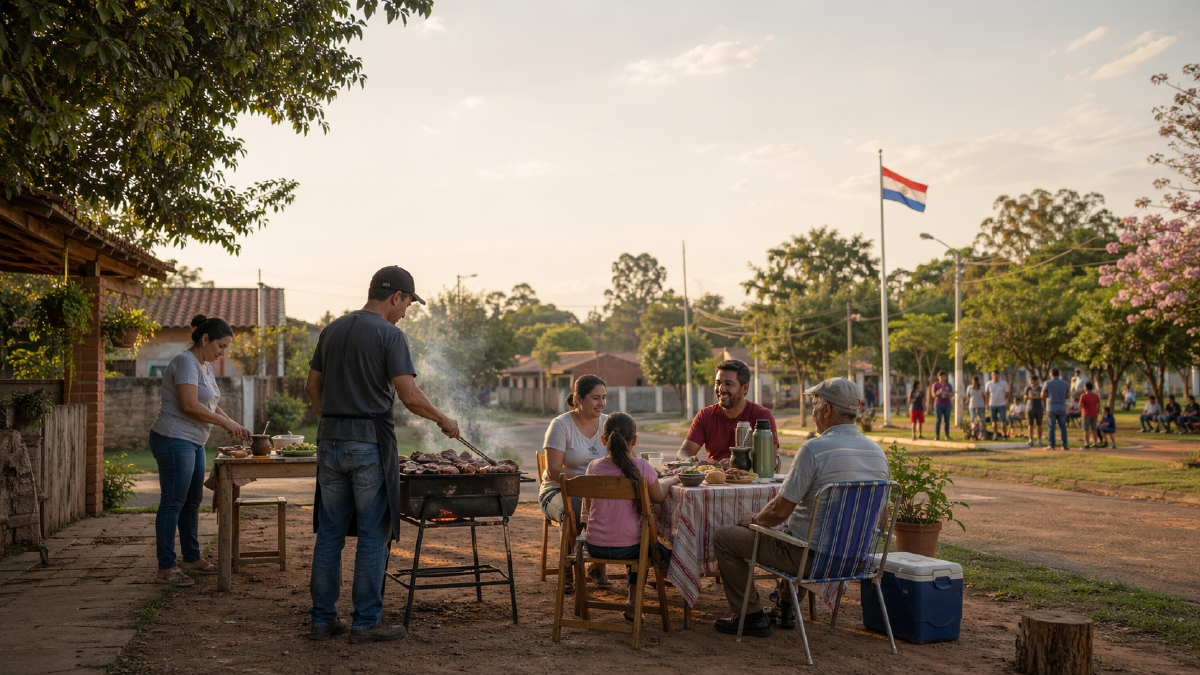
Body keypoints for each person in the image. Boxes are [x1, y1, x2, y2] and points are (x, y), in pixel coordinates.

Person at [304, 266, 460, 644]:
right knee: (375, 533)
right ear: (396, 297)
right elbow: (408, 396)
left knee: (330, 533)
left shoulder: (332, 328)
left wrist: (334, 420)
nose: (406, 312)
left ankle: (323, 620)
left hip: (329, 441)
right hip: (369, 443)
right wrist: (443, 419)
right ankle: (366, 622)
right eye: (407, 304)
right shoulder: (391, 335)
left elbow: (312, 387)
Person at [711, 378, 889, 638]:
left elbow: (778, 512)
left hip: (813, 561)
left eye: (815, 405)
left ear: (827, 410)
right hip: (856, 560)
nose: (814, 412)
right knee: (802, 530)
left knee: (725, 537)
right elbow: (881, 518)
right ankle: (784, 607)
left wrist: (754, 519)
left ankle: (750, 616)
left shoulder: (814, 449)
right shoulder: (878, 453)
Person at [149, 315, 252, 586]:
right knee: (173, 502)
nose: (222, 353)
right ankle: (165, 568)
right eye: (221, 346)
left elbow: (210, 403)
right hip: (173, 438)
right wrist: (225, 422)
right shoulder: (185, 362)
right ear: (205, 339)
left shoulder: (204, 366)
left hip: (193, 441)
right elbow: (190, 406)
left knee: (192, 502)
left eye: (225, 348)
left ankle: (192, 558)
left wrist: (234, 424)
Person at [582, 413, 679, 619]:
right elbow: (659, 497)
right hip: (629, 550)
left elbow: (589, 508)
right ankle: (633, 603)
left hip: (594, 546)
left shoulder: (593, 467)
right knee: (646, 544)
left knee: (636, 539)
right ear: (634, 441)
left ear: (603, 440)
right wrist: (671, 481)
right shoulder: (642, 467)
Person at [541, 375, 611, 593]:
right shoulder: (561, 425)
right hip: (559, 490)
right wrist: (586, 484)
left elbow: (624, 458)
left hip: (598, 492)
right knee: (575, 507)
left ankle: (597, 567)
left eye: (604, 398)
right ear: (579, 399)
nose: (601, 403)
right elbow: (553, 470)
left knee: (615, 507)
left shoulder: (608, 424)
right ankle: (569, 568)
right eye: (595, 398)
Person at [677, 360, 779, 463]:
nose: (721, 389)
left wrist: (735, 464)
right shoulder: (705, 415)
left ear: (745, 388)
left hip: (751, 478)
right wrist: (688, 460)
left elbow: (770, 462)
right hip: (713, 477)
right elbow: (684, 451)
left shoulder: (762, 416)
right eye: (718, 384)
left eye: (729, 384)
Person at [1041, 368, 1071, 450]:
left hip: (1051, 406)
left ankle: (1051, 445)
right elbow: (1068, 396)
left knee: (1051, 427)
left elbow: (1043, 395)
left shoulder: (1047, 383)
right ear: (1059, 374)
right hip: (1061, 406)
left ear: (1051, 374)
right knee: (1063, 427)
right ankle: (1064, 445)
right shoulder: (1065, 383)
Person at [985, 371, 1010, 440]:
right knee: (994, 421)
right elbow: (986, 394)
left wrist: (1007, 403)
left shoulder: (1003, 383)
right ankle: (995, 435)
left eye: (996, 375)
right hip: (992, 404)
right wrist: (986, 404)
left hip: (1002, 404)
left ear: (999, 375)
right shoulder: (988, 383)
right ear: (991, 376)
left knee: (1003, 420)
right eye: (993, 375)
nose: (994, 376)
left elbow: (1008, 394)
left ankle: (1004, 434)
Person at [930, 371, 954, 441]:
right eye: (941, 376)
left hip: (947, 404)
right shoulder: (935, 385)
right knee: (938, 419)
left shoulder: (948, 385)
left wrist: (948, 394)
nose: (943, 378)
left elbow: (951, 393)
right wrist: (938, 393)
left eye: (944, 376)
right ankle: (937, 435)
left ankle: (947, 435)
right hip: (938, 404)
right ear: (938, 377)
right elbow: (933, 394)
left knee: (947, 420)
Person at [1024, 375, 1045, 447]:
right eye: (1030, 380)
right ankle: (1030, 440)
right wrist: (1027, 397)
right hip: (1030, 408)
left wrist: (1043, 408)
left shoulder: (1040, 388)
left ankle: (1039, 440)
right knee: (1030, 425)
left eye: (1032, 380)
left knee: (1039, 425)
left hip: (1039, 408)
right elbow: (1025, 397)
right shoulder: (1028, 388)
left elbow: (1042, 398)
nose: (1030, 382)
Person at [1079, 382, 1101, 449]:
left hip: (1086, 414)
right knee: (1094, 429)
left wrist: (1081, 410)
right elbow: (1098, 404)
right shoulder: (1096, 396)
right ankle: (1095, 443)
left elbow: (1080, 405)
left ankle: (1086, 444)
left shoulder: (1083, 396)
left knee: (1086, 430)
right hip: (1094, 414)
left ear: (1086, 388)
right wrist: (1097, 410)